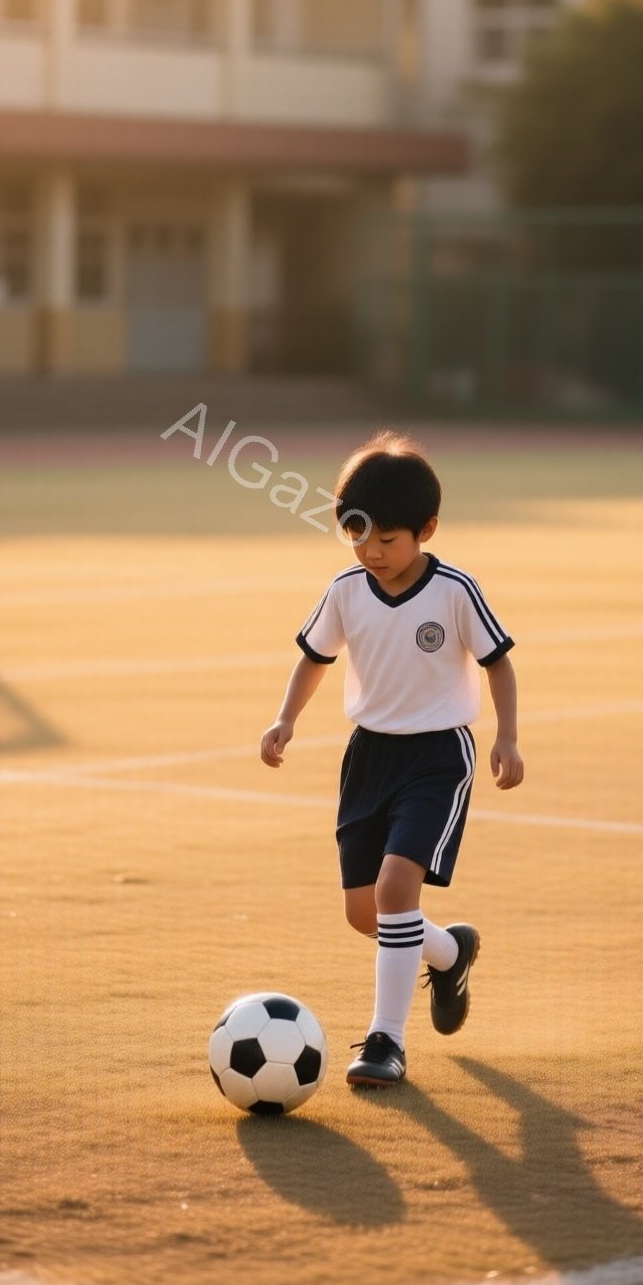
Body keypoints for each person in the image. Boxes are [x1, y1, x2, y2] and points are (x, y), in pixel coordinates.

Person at [259, 431, 524, 1088]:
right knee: (365, 913)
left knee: (397, 890)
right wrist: (285, 718)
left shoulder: (455, 591)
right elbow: (314, 659)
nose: (371, 551)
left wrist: (506, 737)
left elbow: (499, 664)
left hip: (438, 756)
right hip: (368, 756)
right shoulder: (347, 589)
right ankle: (449, 950)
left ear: (426, 529)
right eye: (356, 534)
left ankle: (387, 1041)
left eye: (387, 539)